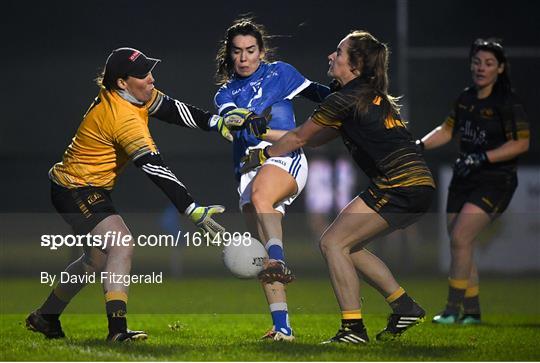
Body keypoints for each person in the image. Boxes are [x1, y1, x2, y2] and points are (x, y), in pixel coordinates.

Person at [26, 47, 234, 342]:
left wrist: (216, 122)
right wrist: (191, 209)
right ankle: (117, 331)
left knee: (95, 261)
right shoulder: (124, 118)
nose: (151, 79)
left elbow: (173, 109)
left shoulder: (131, 95)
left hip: (82, 185)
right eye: (142, 75)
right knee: (122, 243)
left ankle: (45, 317)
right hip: (75, 188)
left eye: (149, 71)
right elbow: (155, 168)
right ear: (122, 83)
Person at [241, 30, 435, 344]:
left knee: (333, 243)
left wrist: (261, 153)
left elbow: (301, 138)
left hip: (400, 185)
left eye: (339, 53)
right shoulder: (362, 95)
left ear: (354, 66)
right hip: (411, 183)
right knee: (347, 245)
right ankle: (404, 305)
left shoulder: (344, 98)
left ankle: (353, 329)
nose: (331, 57)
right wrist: (264, 135)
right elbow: (312, 138)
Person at [214, 18, 331, 341]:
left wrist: (352, 98)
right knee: (261, 253)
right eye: (237, 52)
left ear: (261, 52)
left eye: (250, 50)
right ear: (229, 55)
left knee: (263, 206)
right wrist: (243, 121)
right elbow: (231, 117)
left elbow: (322, 95)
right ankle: (283, 327)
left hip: (283, 157)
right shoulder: (225, 93)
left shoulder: (281, 73)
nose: (244, 58)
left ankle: (278, 260)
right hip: (248, 169)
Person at [417, 38, 529, 324]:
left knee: (461, 237)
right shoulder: (466, 97)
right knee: (461, 244)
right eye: (477, 62)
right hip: (463, 178)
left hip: (495, 180)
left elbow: (520, 144)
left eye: (489, 63)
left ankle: (453, 310)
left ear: (500, 68)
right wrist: (420, 144)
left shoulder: (507, 102)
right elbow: (446, 130)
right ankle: (473, 312)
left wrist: (482, 158)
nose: (482, 68)